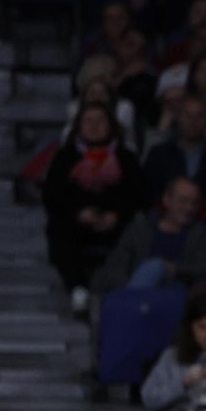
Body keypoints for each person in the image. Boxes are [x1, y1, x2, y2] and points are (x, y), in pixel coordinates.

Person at [43, 101, 148, 306]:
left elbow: (140, 196)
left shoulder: (125, 157)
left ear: (111, 125)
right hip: (77, 222)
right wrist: (78, 213)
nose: (94, 126)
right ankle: (78, 289)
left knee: (139, 230)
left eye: (100, 120)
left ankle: (124, 289)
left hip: (117, 222)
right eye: (88, 121)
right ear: (78, 126)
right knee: (57, 229)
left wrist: (116, 214)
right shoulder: (65, 156)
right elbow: (52, 197)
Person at [91, 177, 206, 294]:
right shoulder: (141, 228)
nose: (189, 208)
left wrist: (174, 269)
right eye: (183, 201)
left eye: (194, 203)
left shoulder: (201, 233)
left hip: (176, 296)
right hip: (139, 289)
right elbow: (117, 263)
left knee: (156, 267)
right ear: (166, 200)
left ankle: (131, 303)